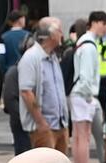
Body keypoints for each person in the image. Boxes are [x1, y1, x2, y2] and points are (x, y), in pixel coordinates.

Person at [18, 18, 69, 153]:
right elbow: (26, 92)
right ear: (50, 35)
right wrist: (41, 123)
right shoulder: (31, 58)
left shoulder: (53, 57)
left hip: (60, 124)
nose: (62, 34)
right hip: (44, 127)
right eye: (59, 31)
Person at [67, 12, 105, 163]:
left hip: (78, 94)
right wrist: (89, 96)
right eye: (103, 24)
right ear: (95, 23)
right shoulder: (89, 46)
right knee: (83, 137)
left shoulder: (83, 43)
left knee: (78, 137)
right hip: (84, 95)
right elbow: (86, 76)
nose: (105, 28)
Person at [0, 10, 31, 79]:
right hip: (27, 71)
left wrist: (5, 71)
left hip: (10, 71)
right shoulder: (29, 36)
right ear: (20, 20)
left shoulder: (2, 37)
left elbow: (1, 57)